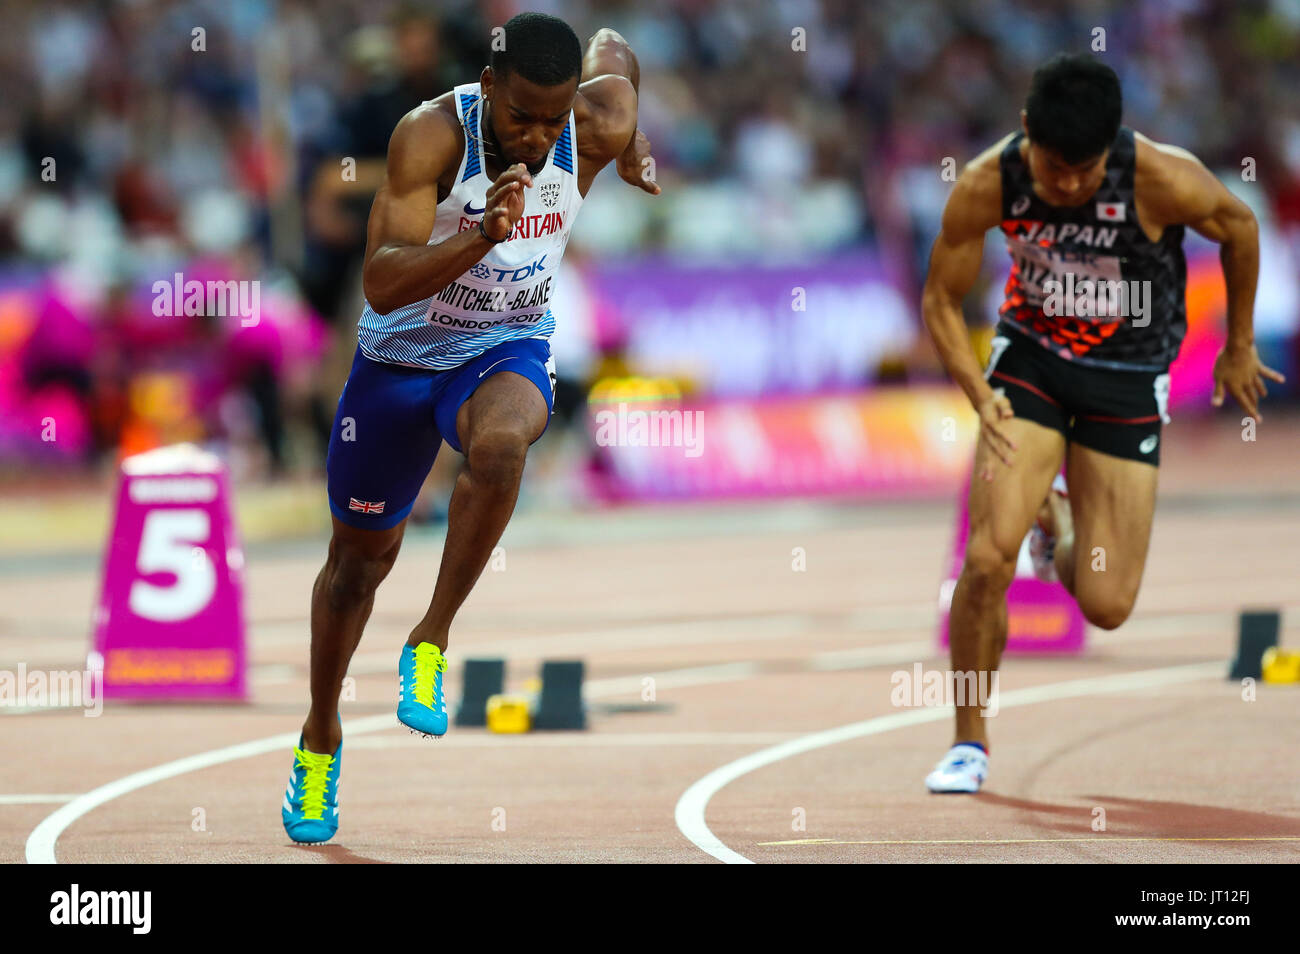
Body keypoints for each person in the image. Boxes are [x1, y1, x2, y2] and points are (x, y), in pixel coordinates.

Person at [281, 12, 659, 843]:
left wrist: (628, 147)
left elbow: (616, 51)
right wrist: (481, 233)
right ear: (488, 88)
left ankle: (432, 637)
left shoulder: (592, 121)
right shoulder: (430, 135)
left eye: (552, 121)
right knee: (354, 569)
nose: (535, 137)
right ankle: (320, 738)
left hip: (504, 345)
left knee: (502, 443)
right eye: (520, 116)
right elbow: (381, 284)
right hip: (399, 362)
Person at [919, 52, 1284, 794]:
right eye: (1057, 171)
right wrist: (974, 389)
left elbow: (1240, 230)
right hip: (1031, 364)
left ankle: (1054, 516)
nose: (1072, 185)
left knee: (1107, 603)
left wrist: (1239, 345)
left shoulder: (1159, 175)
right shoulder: (990, 182)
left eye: (1087, 171)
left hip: (1125, 380)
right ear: (1027, 133)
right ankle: (969, 741)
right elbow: (939, 301)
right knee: (988, 559)